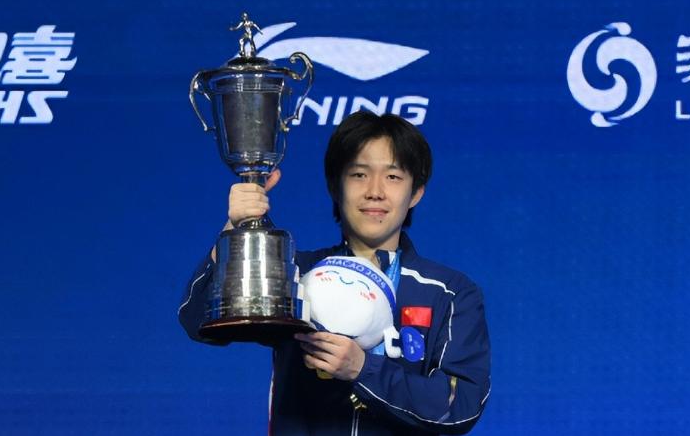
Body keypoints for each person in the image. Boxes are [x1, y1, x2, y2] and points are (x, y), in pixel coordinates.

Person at [178, 111, 491, 435]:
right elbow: (198, 320)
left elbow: (461, 406)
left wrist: (363, 369)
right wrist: (237, 229)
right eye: (359, 174)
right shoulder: (295, 274)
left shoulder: (447, 292)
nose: (375, 191)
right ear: (335, 186)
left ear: (416, 192)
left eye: (393, 176)